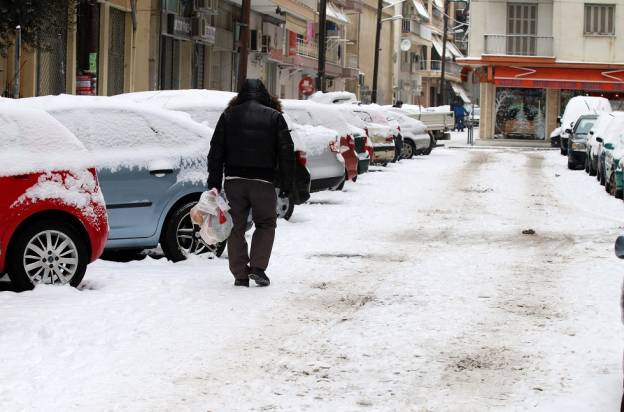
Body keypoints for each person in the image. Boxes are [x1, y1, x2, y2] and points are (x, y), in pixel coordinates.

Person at [207, 79, 295, 287]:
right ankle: (257, 268)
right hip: (263, 181)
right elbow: (286, 153)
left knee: (235, 227)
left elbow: (216, 152)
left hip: (234, 181)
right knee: (265, 223)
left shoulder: (228, 116)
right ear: (266, 95)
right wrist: (286, 183)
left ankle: (240, 273)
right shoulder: (275, 117)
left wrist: (214, 182)